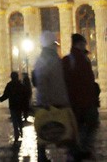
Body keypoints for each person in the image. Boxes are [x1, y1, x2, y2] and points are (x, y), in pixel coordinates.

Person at [32, 31, 70, 162]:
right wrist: (45, 103)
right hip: (51, 103)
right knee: (48, 132)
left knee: (57, 131)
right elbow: (42, 83)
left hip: (56, 101)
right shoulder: (46, 60)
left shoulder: (50, 58)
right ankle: (43, 157)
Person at [63, 33, 100, 161]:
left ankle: (76, 150)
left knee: (76, 128)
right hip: (84, 101)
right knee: (89, 126)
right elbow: (88, 81)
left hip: (74, 102)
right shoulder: (82, 60)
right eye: (84, 43)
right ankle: (81, 149)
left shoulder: (68, 60)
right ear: (80, 44)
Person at [0, 72, 26, 142]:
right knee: (19, 119)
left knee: (14, 120)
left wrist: (0, 99)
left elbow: (6, 95)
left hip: (13, 105)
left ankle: (16, 134)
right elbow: (24, 96)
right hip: (19, 105)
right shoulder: (21, 85)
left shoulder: (9, 85)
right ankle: (21, 130)